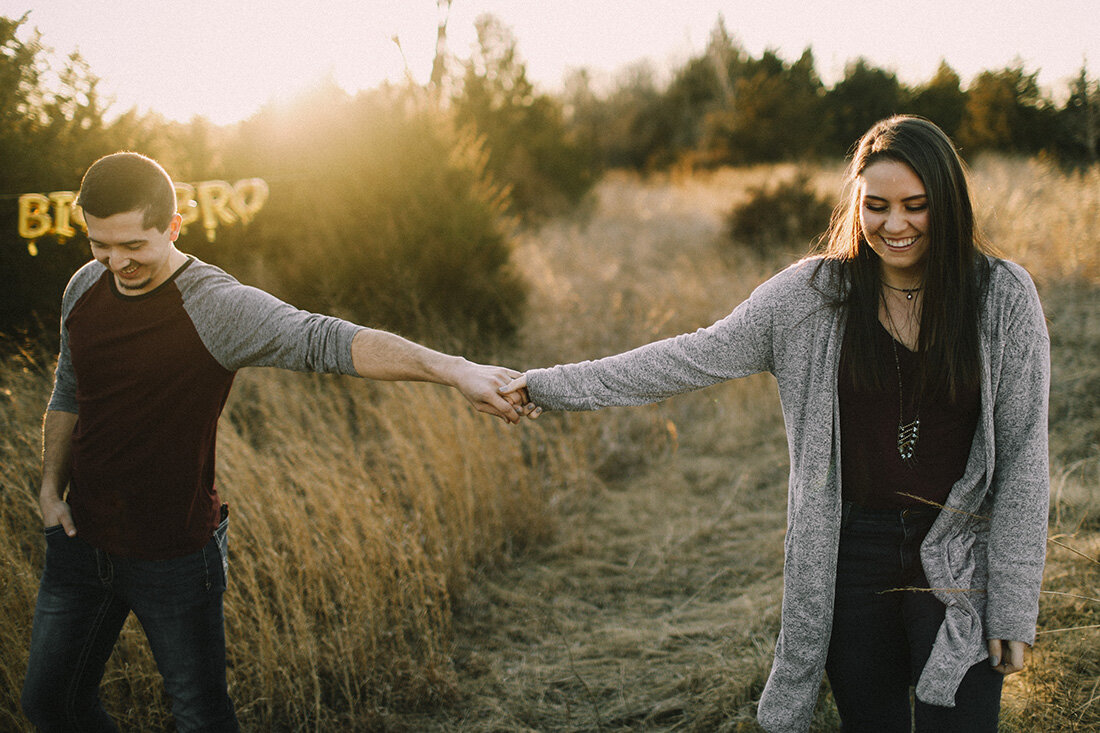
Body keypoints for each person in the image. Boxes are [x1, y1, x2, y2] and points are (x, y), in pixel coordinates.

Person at [501, 116, 1049, 732]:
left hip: (960, 550)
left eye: (915, 206)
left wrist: (1013, 602)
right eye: (876, 206)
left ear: (947, 204)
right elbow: (685, 358)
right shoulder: (810, 298)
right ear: (856, 204)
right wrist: (543, 386)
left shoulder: (1002, 298)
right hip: (851, 554)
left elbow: (1026, 457)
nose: (894, 226)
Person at [22, 151, 532, 732]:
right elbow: (69, 389)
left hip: (173, 554)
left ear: (172, 227)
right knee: (49, 703)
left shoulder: (214, 306)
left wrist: (454, 369)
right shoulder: (84, 287)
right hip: (78, 540)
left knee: (200, 717)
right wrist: (48, 490)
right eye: (100, 244)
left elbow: (325, 338)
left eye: (134, 246)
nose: (116, 262)